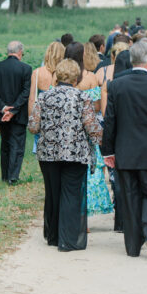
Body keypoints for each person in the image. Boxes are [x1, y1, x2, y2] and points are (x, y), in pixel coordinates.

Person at [101, 38, 147, 259]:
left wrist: (108, 151)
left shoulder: (116, 85)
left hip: (124, 150)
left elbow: (110, 120)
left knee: (130, 196)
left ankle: (132, 247)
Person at [28, 59, 102, 250]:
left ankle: (53, 235)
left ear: (58, 76)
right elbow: (91, 126)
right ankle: (67, 239)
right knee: (71, 193)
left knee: (53, 193)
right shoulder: (82, 97)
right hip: (75, 153)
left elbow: (33, 126)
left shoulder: (44, 97)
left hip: (48, 154)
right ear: (75, 77)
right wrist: (102, 139)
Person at [0, 41, 32, 184]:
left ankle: (5, 175)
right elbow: (25, 92)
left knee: (5, 144)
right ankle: (13, 176)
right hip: (18, 114)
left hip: (2, 114)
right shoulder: (26, 68)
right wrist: (13, 109)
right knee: (17, 145)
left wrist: (2, 107)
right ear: (20, 52)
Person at [78, 45, 113, 217]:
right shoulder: (90, 77)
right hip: (89, 125)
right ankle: (89, 208)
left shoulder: (61, 76)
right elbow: (98, 106)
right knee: (92, 171)